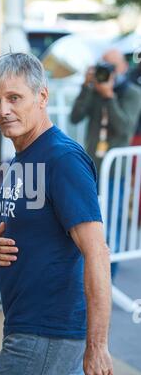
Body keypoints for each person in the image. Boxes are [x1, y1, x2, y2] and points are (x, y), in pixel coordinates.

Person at [0, 52, 113, 375]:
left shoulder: (62, 159)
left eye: (14, 98)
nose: (3, 109)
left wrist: (97, 346)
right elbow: (25, 230)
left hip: (42, 333)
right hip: (41, 329)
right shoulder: (22, 158)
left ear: (42, 97)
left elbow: (97, 251)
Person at [71, 49, 141, 279]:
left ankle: (108, 274)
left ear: (122, 67)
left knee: (111, 221)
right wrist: (86, 86)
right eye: (102, 64)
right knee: (87, 220)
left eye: (110, 65)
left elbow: (124, 127)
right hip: (91, 166)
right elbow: (76, 116)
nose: (106, 70)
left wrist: (109, 96)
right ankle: (88, 270)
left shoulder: (132, 93)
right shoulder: (95, 90)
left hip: (115, 170)